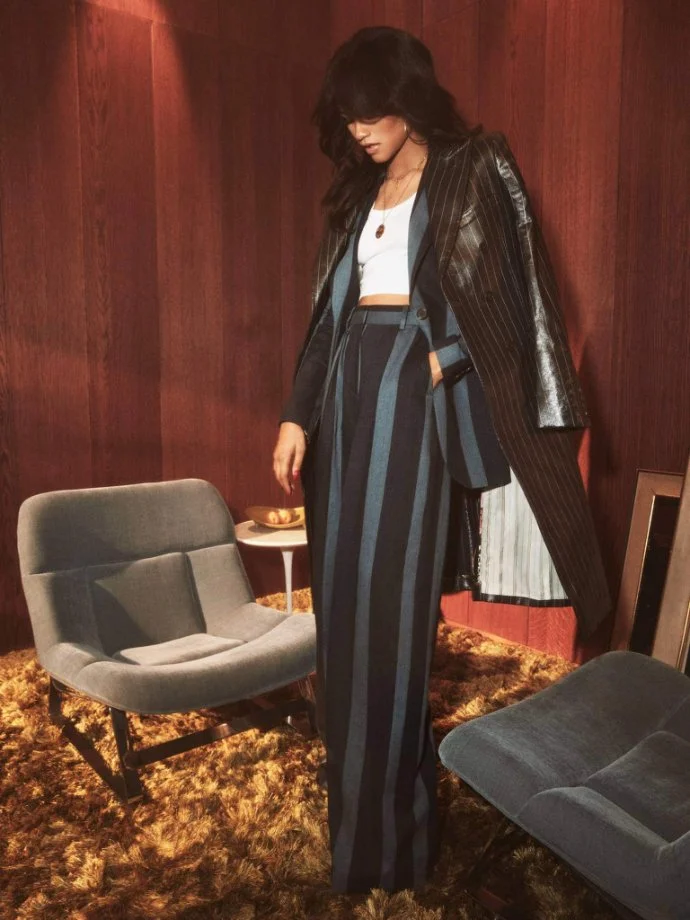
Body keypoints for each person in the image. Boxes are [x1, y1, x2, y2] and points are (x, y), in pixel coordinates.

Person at [272, 26, 611, 894]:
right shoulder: (358, 193)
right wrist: (296, 415)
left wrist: (441, 360)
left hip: (411, 398)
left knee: (390, 615)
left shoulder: (474, 167)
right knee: (341, 617)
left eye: (370, 112)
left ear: (409, 98)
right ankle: (360, 832)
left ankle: (395, 844)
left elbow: (510, 296)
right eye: (346, 116)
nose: (357, 129)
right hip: (345, 398)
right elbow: (327, 319)